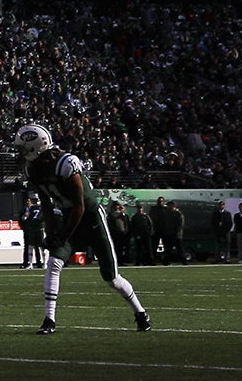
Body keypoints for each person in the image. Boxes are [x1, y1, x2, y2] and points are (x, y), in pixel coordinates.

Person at [16, 123, 151, 335]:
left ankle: (140, 312)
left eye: (24, 148)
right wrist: (51, 234)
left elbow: (80, 205)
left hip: (91, 218)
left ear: (37, 146)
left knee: (112, 278)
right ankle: (49, 320)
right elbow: (47, 205)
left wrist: (63, 235)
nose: (21, 153)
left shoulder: (66, 163)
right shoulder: (32, 170)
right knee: (54, 262)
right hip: (70, 217)